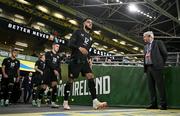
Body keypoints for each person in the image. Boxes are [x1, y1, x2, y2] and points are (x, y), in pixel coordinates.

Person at [63, 18, 107, 110]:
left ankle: (95, 102)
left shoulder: (91, 38)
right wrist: (79, 48)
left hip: (84, 61)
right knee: (71, 80)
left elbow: (87, 51)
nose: (90, 24)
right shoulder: (77, 32)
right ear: (84, 23)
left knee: (90, 76)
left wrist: (89, 58)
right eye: (88, 22)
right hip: (75, 59)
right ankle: (65, 101)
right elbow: (70, 43)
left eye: (91, 23)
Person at [143, 31, 168, 110]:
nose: (144, 39)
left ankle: (163, 104)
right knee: (151, 87)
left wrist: (160, 64)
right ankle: (153, 104)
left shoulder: (158, 43)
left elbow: (165, 54)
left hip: (157, 68)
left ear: (150, 36)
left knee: (160, 87)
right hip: (148, 68)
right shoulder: (145, 46)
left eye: (145, 37)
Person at [44, 42, 61, 108]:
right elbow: (48, 62)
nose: (58, 48)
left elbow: (59, 66)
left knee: (54, 86)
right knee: (44, 87)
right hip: (48, 72)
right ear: (53, 46)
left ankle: (53, 103)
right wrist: (54, 69)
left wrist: (58, 71)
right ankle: (39, 99)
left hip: (54, 73)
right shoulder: (48, 53)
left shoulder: (58, 56)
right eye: (57, 46)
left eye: (58, 47)